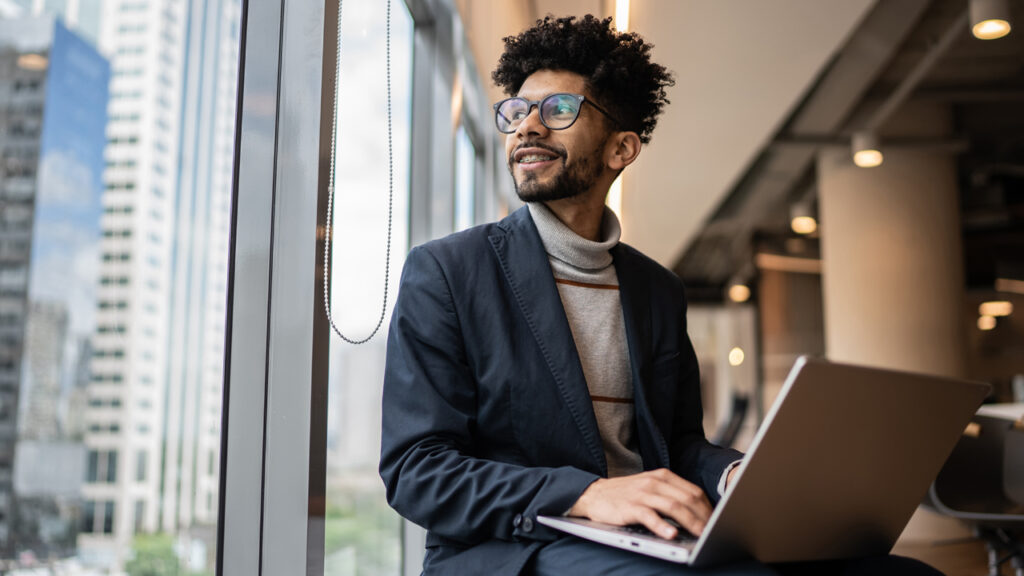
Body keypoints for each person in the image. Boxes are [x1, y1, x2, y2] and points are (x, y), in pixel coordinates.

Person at [380, 14, 942, 576]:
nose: (527, 127)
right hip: (517, 548)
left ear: (621, 148)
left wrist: (733, 475)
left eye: (557, 111)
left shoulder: (657, 290)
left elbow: (677, 443)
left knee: (900, 572)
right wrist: (585, 495)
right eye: (517, 111)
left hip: (646, 537)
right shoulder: (448, 272)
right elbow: (417, 470)